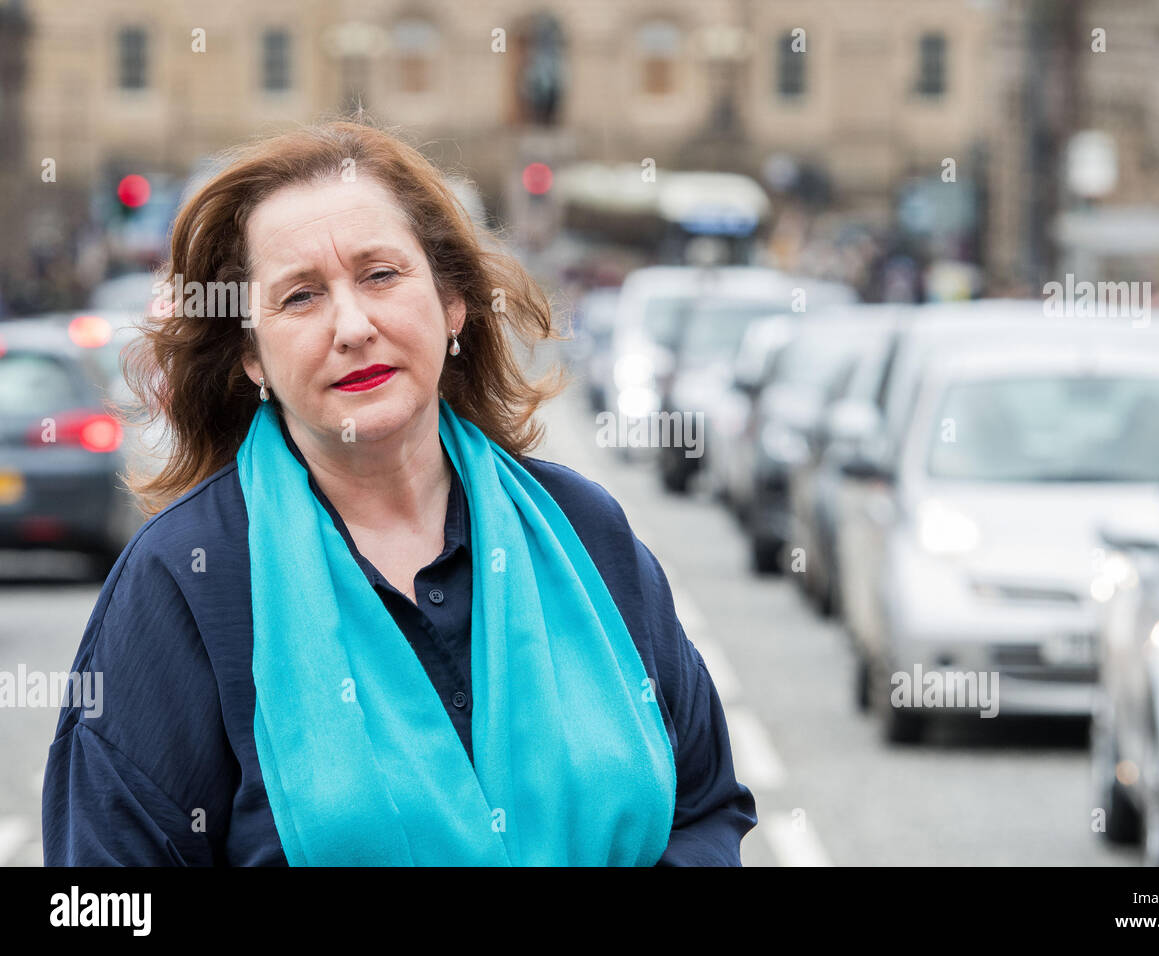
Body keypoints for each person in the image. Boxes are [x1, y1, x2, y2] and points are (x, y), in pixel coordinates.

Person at [41, 120, 757, 866]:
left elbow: (702, 806)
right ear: (252, 355)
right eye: (300, 298)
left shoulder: (585, 530)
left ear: (452, 305)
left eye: (380, 275)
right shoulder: (184, 580)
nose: (353, 326)